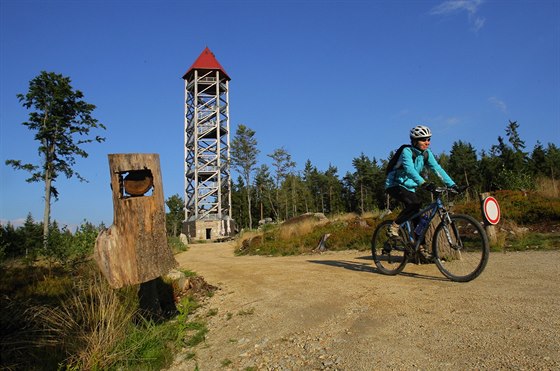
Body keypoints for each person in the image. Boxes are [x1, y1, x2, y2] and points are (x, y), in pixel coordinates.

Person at [385, 125, 457, 238]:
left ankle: (419, 248)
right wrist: (423, 183)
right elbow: (409, 170)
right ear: (414, 141)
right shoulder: (407, 151)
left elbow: (437, 169)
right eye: (423, 140)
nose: (427, 142)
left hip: (410, 187)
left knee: (418, 219)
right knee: (415, 204)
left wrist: (452, 184)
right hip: (395, 185)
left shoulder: (427, 154)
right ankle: (394, 227)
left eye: (429, 139)